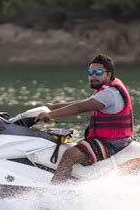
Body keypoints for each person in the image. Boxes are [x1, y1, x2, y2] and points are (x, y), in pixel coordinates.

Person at [36, 53, 134, 183]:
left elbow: (79, 108)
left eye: (98, 72)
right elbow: (83, 102)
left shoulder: (109, 94)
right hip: (109, 139)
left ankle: (54, 190)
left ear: (108, 75)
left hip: (112, 143)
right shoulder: (107, 88)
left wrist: (50, 115)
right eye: (90, 72)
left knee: (70, 154)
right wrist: (55, 106)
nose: (93, 75)